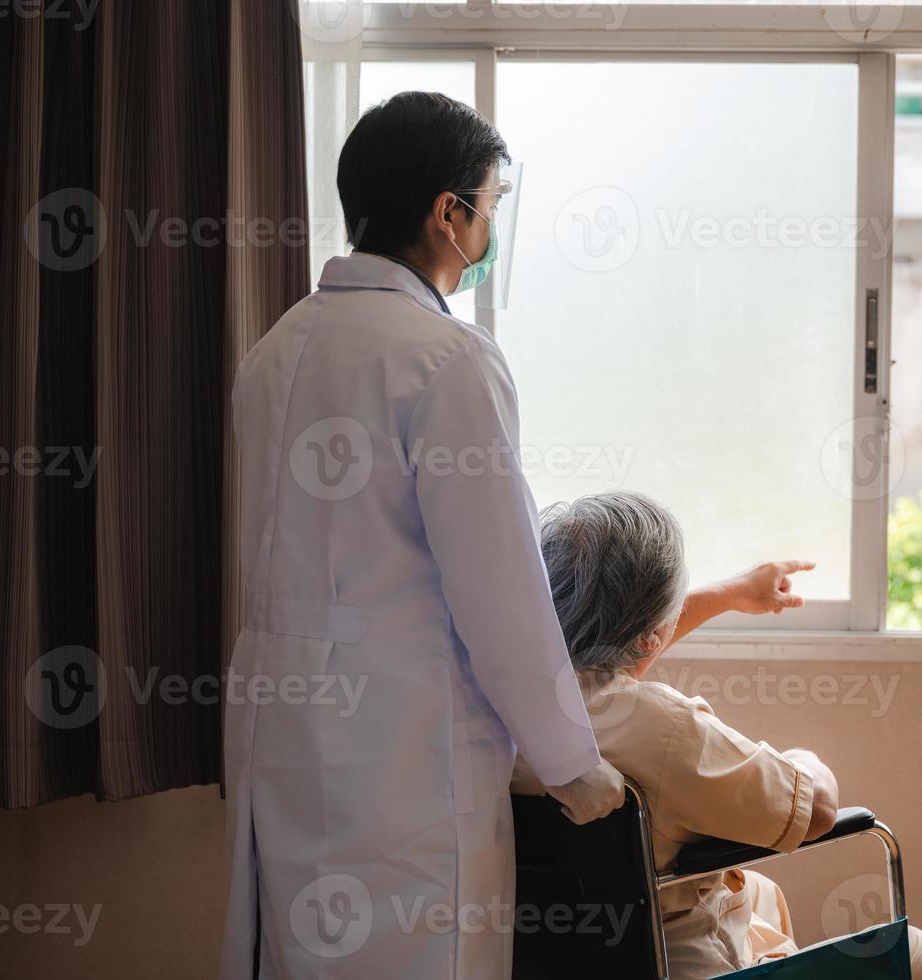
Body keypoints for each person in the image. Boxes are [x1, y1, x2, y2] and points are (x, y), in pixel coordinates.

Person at [218, 92, 625, 979]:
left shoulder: (276, 349)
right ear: (449, 213)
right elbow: (499, 591)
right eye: (492, 205)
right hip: (403, 747)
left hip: (282, 730)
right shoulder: (446, 360)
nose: (491, 231)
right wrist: (570, 763)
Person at [511, 491, 922, 980]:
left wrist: (729, 594)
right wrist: (803, 761)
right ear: (649, 634)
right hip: (687, 968)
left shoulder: (502, 704)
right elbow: (817, 812)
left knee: (762, 894)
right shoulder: (665, 728)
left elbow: (613, 655)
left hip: (567, 961)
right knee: (916, 951)